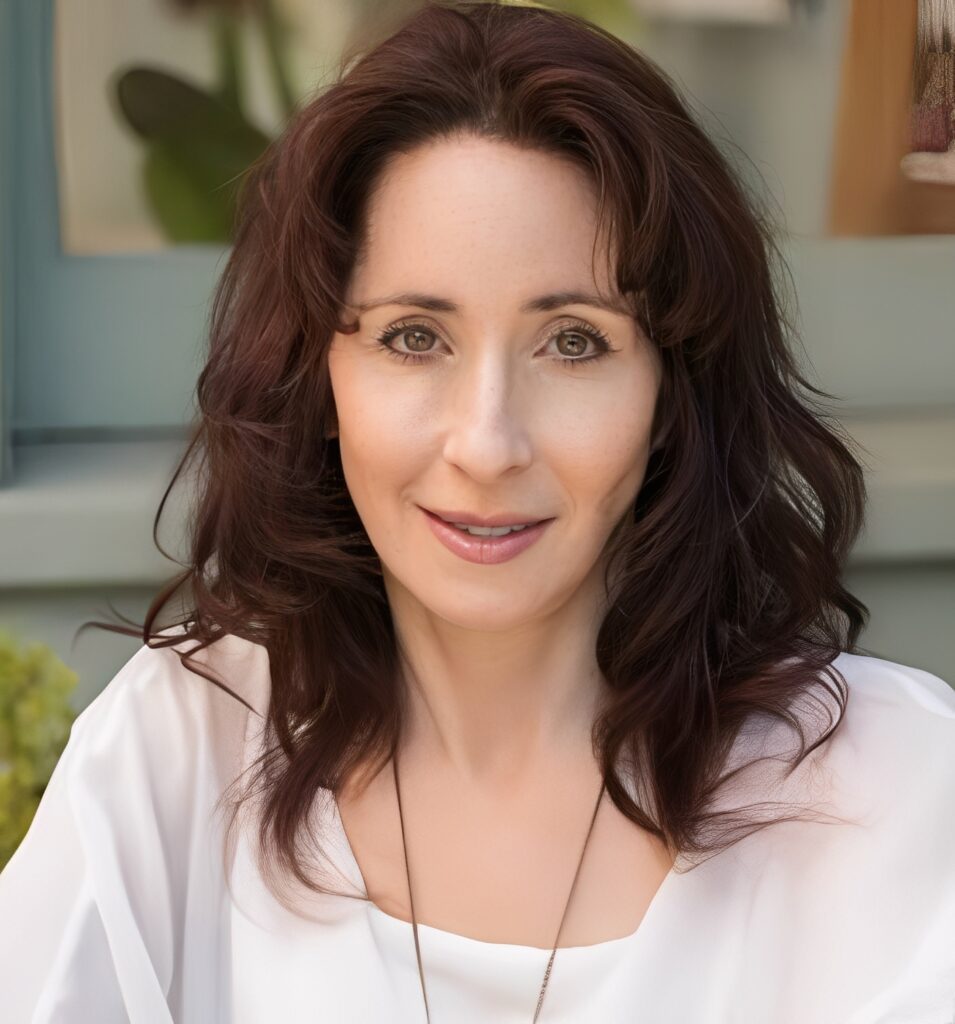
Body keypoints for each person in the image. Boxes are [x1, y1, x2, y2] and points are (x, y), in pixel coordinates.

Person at [2, 1, 955, 1021]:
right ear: (318, 378)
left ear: (673, 393)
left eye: (574, 341)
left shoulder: (890, 796)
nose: (487, 444)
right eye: (414, 337)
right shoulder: (176, 754)